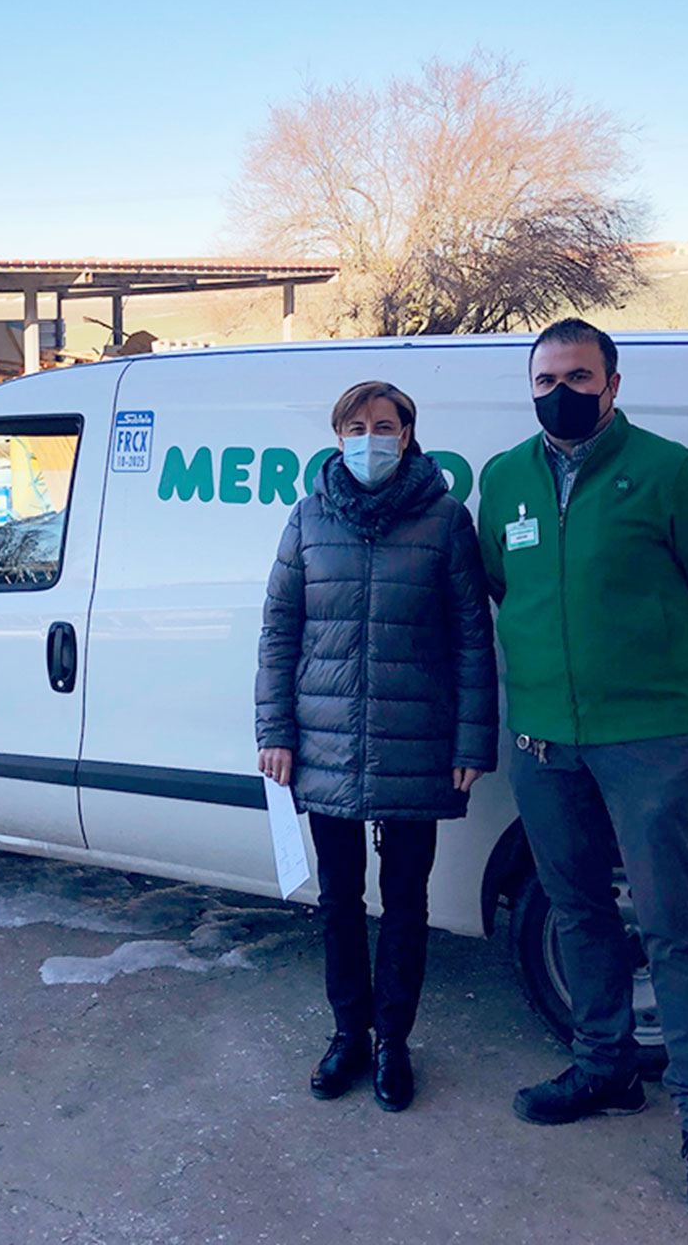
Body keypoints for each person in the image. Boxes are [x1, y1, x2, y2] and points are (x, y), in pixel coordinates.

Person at [477, 318, 688, 1227]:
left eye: (579, 375)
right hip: (544, 741)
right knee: (577, 907)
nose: (562, 390)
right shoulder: (504, 479)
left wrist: (653, 672)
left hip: (648, 740)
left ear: (613, 383)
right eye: (546, 376)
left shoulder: (671, 471)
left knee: (675, 928)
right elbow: (507, 593)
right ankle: (606, 1069)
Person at [255, 380, 497, 1113]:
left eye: (383, 425)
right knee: (338, 902)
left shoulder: (447, 521)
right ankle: (347, 1036)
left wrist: (470, 742)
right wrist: (275, 733)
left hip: (415, 742)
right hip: (324, 745)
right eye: (355, 426)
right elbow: (278, 634)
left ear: (408, 434)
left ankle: (394, 1041)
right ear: (336, 438)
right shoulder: (305, 519)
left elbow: (470, 643)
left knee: (404, 903)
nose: (369, 438)